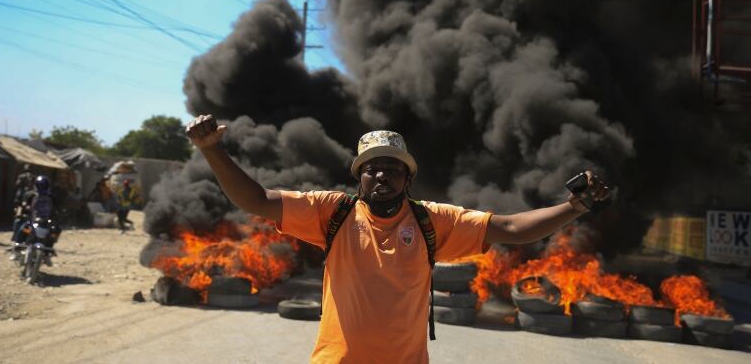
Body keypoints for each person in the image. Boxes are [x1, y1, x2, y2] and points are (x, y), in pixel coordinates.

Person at [185, 114, 611, 364]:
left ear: (408, 176)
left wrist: (575, 207)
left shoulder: (433, 221)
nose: (381, 174)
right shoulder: (330, 213)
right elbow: (257, 200)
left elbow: (513, 229)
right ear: (359, 176)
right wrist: (211, 151)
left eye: (392, 167)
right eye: (371, 167)